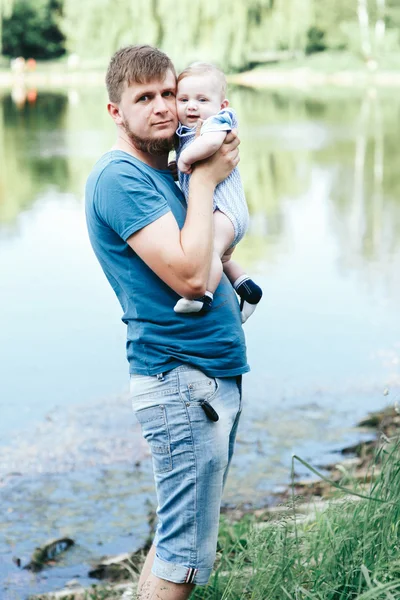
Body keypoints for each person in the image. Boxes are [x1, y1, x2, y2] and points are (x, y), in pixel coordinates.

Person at [85, 45, 249, 600]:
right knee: (184, 558)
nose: (163, 108)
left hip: (206, 375)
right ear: (115, 111)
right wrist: (205, 182)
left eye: (167, 94)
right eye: (144, 98)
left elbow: (210, 254)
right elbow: (190, 278)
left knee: (178, 539)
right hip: (179, 380)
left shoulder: (165, 173)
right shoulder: (119, 178)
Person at [173, 62, 262, 323]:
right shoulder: (187, 130)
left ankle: (202, 296)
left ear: (221, 105)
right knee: (220, 259)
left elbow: (210, 144)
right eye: (184, 99)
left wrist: (183, 160)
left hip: (225, 210)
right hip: (221, 211)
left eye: (202, 99)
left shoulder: (217, 123)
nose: (192, 106)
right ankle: (247, 289)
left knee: (208, 251)